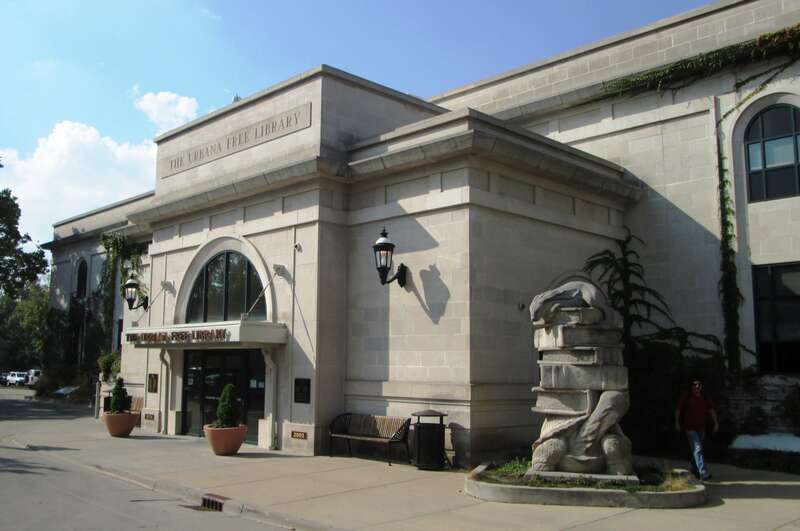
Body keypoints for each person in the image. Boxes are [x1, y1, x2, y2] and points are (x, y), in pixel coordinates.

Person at [675, 379, 719, 481]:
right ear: (691, 386)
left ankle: (694, 470)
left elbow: (711, 410)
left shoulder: (704, 397)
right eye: (695, 385)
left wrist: (716, 423)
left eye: (699, 385)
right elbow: (678, 409)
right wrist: (677, 423)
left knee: (696, 450)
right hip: (689, 428)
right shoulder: (687, 396)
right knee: (698, 448)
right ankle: (703, 472)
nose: (697, 386)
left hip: (701, 428)